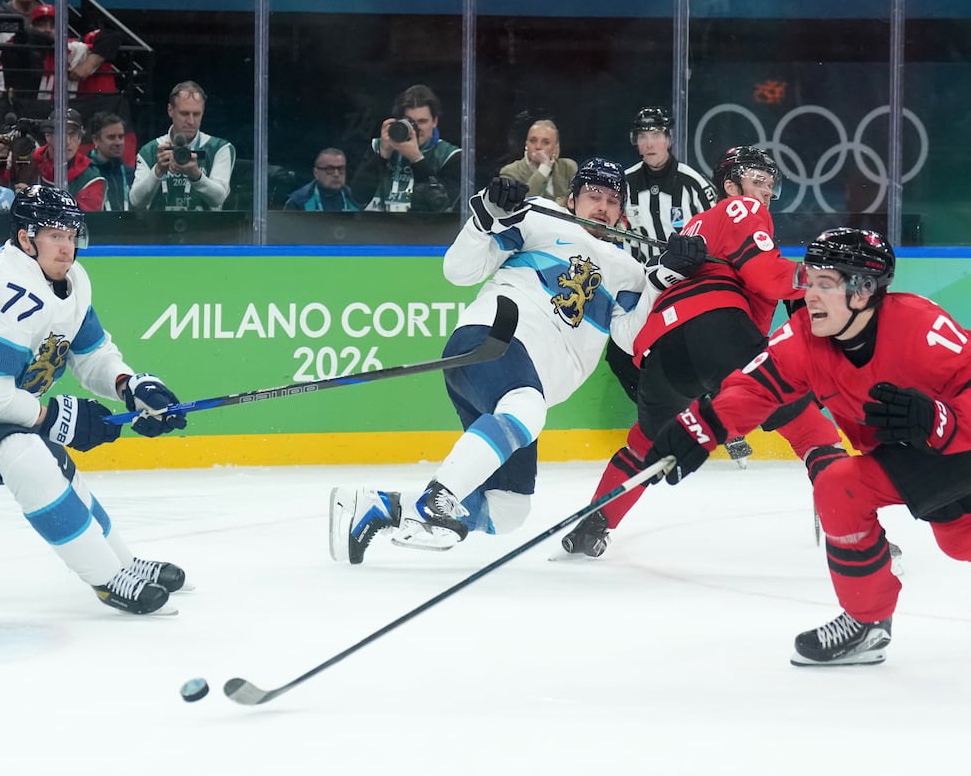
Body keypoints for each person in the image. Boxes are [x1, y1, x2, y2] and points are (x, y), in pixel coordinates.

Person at [641, 227, 971, 666]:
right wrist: (699, 426)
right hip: (921, 442)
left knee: (841, 485)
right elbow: (754, 389)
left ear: (861, 292)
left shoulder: (918, 329)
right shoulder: (804, 339)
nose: (807, 294)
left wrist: (941, 420)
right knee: (964, 537)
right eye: (808, 278)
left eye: (824, 284)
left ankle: (867, 623)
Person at [329, 159, 693, 564]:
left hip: (524, 382)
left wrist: (663, 280)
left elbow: (628, 336)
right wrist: (485, 216)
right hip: (495, 341)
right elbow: (459, 271)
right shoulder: (542, 218)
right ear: (572, 199)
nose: (602, 207)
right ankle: (438, 498)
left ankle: (377, 507)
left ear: (621, 213)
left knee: (508, 510)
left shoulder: (628, 271)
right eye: (593, 196)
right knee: (526, 406)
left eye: (611, 200)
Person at [0, 184, 191, 615]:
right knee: (26, 452)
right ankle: (106, 578)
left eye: (71, 235)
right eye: (55, 236)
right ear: (26, 239)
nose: (67, 248)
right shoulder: (5, 287)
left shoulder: (72, 279)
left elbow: (92, 353)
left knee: (50, 459)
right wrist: (58, 415)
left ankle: (122, 561)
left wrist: (129, 385)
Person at [559, 145, 838, 558]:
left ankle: (594, 523)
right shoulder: (740, 210)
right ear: (731, 185)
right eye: (756, 180)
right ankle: (860, 534)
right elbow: (767, 278)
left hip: (661, 356)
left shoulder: (693, 228)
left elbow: (753, 315)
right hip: (715, 330)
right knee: (810, 429)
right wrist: (825, 280)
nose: (764, 193)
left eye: (769, 186)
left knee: (644, 446)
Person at [604, 107, 718, 404]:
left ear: (668, 139)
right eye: (643, 136)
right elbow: (602, 226)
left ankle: (715, 415)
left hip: (685, 287)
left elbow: (719, 232)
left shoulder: (694, 183)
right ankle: (666, 412)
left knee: (696, 352)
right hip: (640, 288)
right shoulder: (622, 184)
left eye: (655, 135)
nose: (649, 143)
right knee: (619, 356)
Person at [348, 83, 461, 212]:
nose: (415, 128)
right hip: (377, 227)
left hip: (421, 230)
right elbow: (358, 196)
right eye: (410, 121)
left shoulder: (449, 156)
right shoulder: (379, 147)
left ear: (434, 121)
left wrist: (417, 159)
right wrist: (382, 155)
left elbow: (441, 204)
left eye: (422, 121)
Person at [130, 81, 235, 211]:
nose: (191, 121)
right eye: (184, 114)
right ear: (170, 110)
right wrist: (157, 171)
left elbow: (219, 199)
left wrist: (196, 175)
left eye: (196, 114)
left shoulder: (219, 148)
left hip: (205, 230)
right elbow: (135, 201)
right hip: (160, 229)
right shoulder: (150, 150)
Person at [0, 107, 106, 211]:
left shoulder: (90, 179)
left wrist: (41, 200)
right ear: (48, 136)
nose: (68, 142)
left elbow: (85, 221)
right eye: (61, 133)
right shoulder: (26, 161)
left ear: (80, 138)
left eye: (73, 134)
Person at [497, 118, 578, 209]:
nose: (538, 147)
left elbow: (575, 205)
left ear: (556, 147)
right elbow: (518, 206)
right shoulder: (510, 172)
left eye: (546, 142)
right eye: (533, 141)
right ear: (526, 145)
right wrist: (544, 168)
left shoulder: (568, 168)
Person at [283, 148, 359, 211]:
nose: (336, 174)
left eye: (341, 169)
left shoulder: (356, 198)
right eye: (330, 169)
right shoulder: (298, 202)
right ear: (316, 173)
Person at [87, 112, 133, 211]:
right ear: (96, 140)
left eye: (121, 137)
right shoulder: (85, 174)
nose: (118, 142)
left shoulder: (132, 174)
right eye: (111, 137)